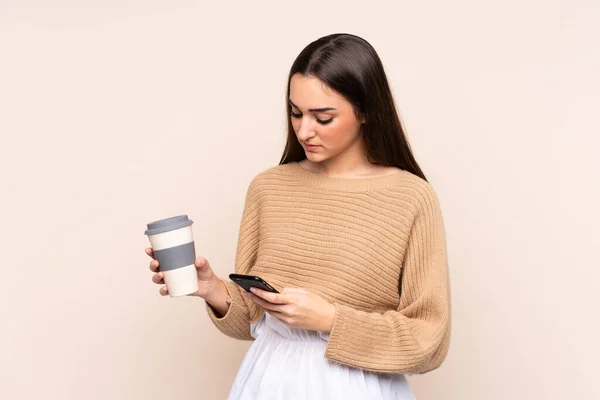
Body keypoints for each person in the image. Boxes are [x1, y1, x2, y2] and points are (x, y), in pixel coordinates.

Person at [146, 33, 451, 399]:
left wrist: (330, 320)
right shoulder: (269, 188)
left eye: (323, 117)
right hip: (267, 380)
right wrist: (212, 289)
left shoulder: (411, 198)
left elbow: (428, 341)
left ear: (367, 111)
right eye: (296, 113)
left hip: (355, 387)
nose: (304, 131)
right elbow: (252, 321)